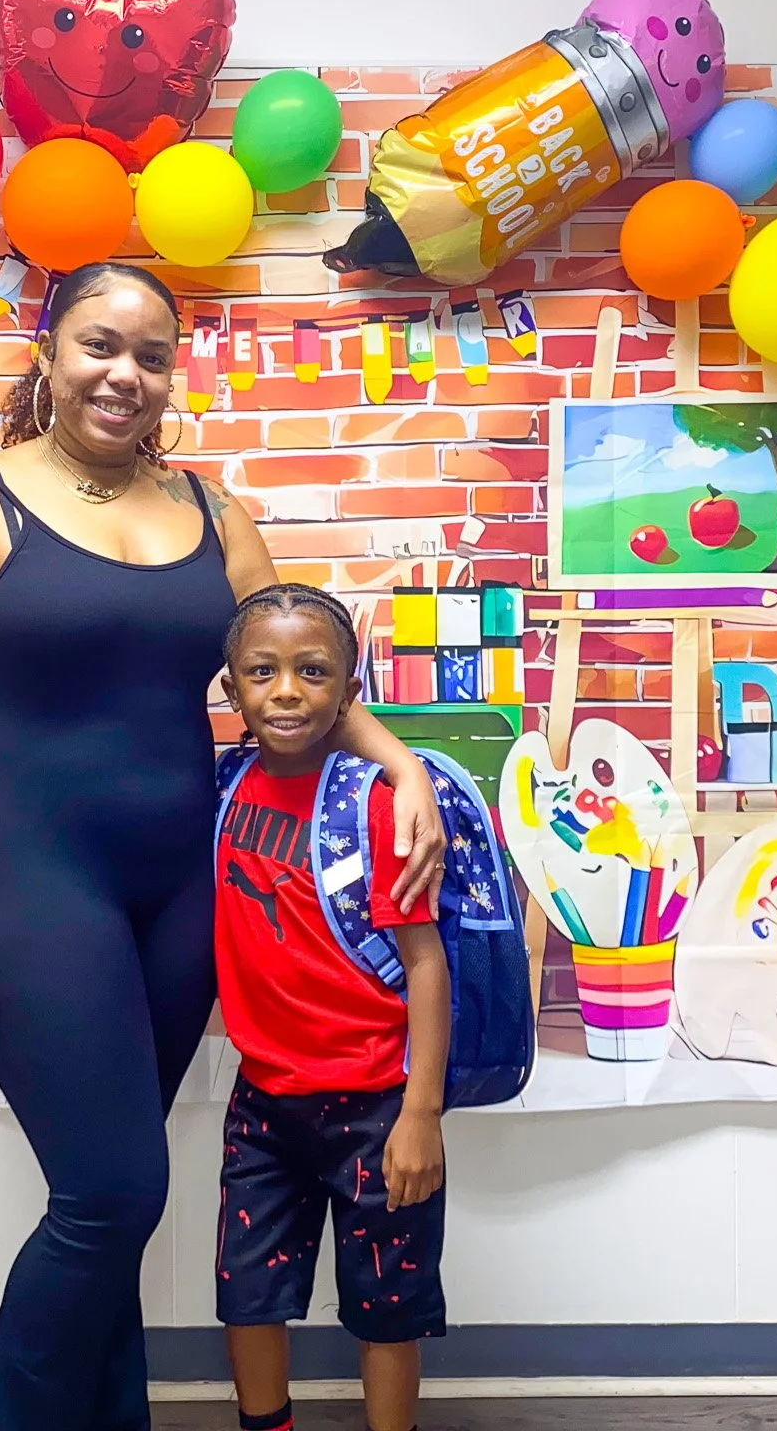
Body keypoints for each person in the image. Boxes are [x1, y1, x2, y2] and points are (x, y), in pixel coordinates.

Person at [0, 262, 447, 1429]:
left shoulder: (213, 512)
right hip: (23, 867)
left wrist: (401, 765)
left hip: (181, 885)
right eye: (98, 345)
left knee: (118, 1197)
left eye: (149, 355)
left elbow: (296, 664)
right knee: (111, 1190)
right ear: (47, 352)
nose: (122, 374)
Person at [212, 584, 451, 1431]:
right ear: (232, 687)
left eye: (312, 672)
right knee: (248, 1294)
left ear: (349, 691)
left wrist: (421, 1114)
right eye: (262, 672)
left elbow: (425, 964)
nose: (286, 691)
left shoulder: (375, 805)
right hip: (263, 1101)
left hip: (377, 1106)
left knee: (387, 1308)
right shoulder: (222, 789)